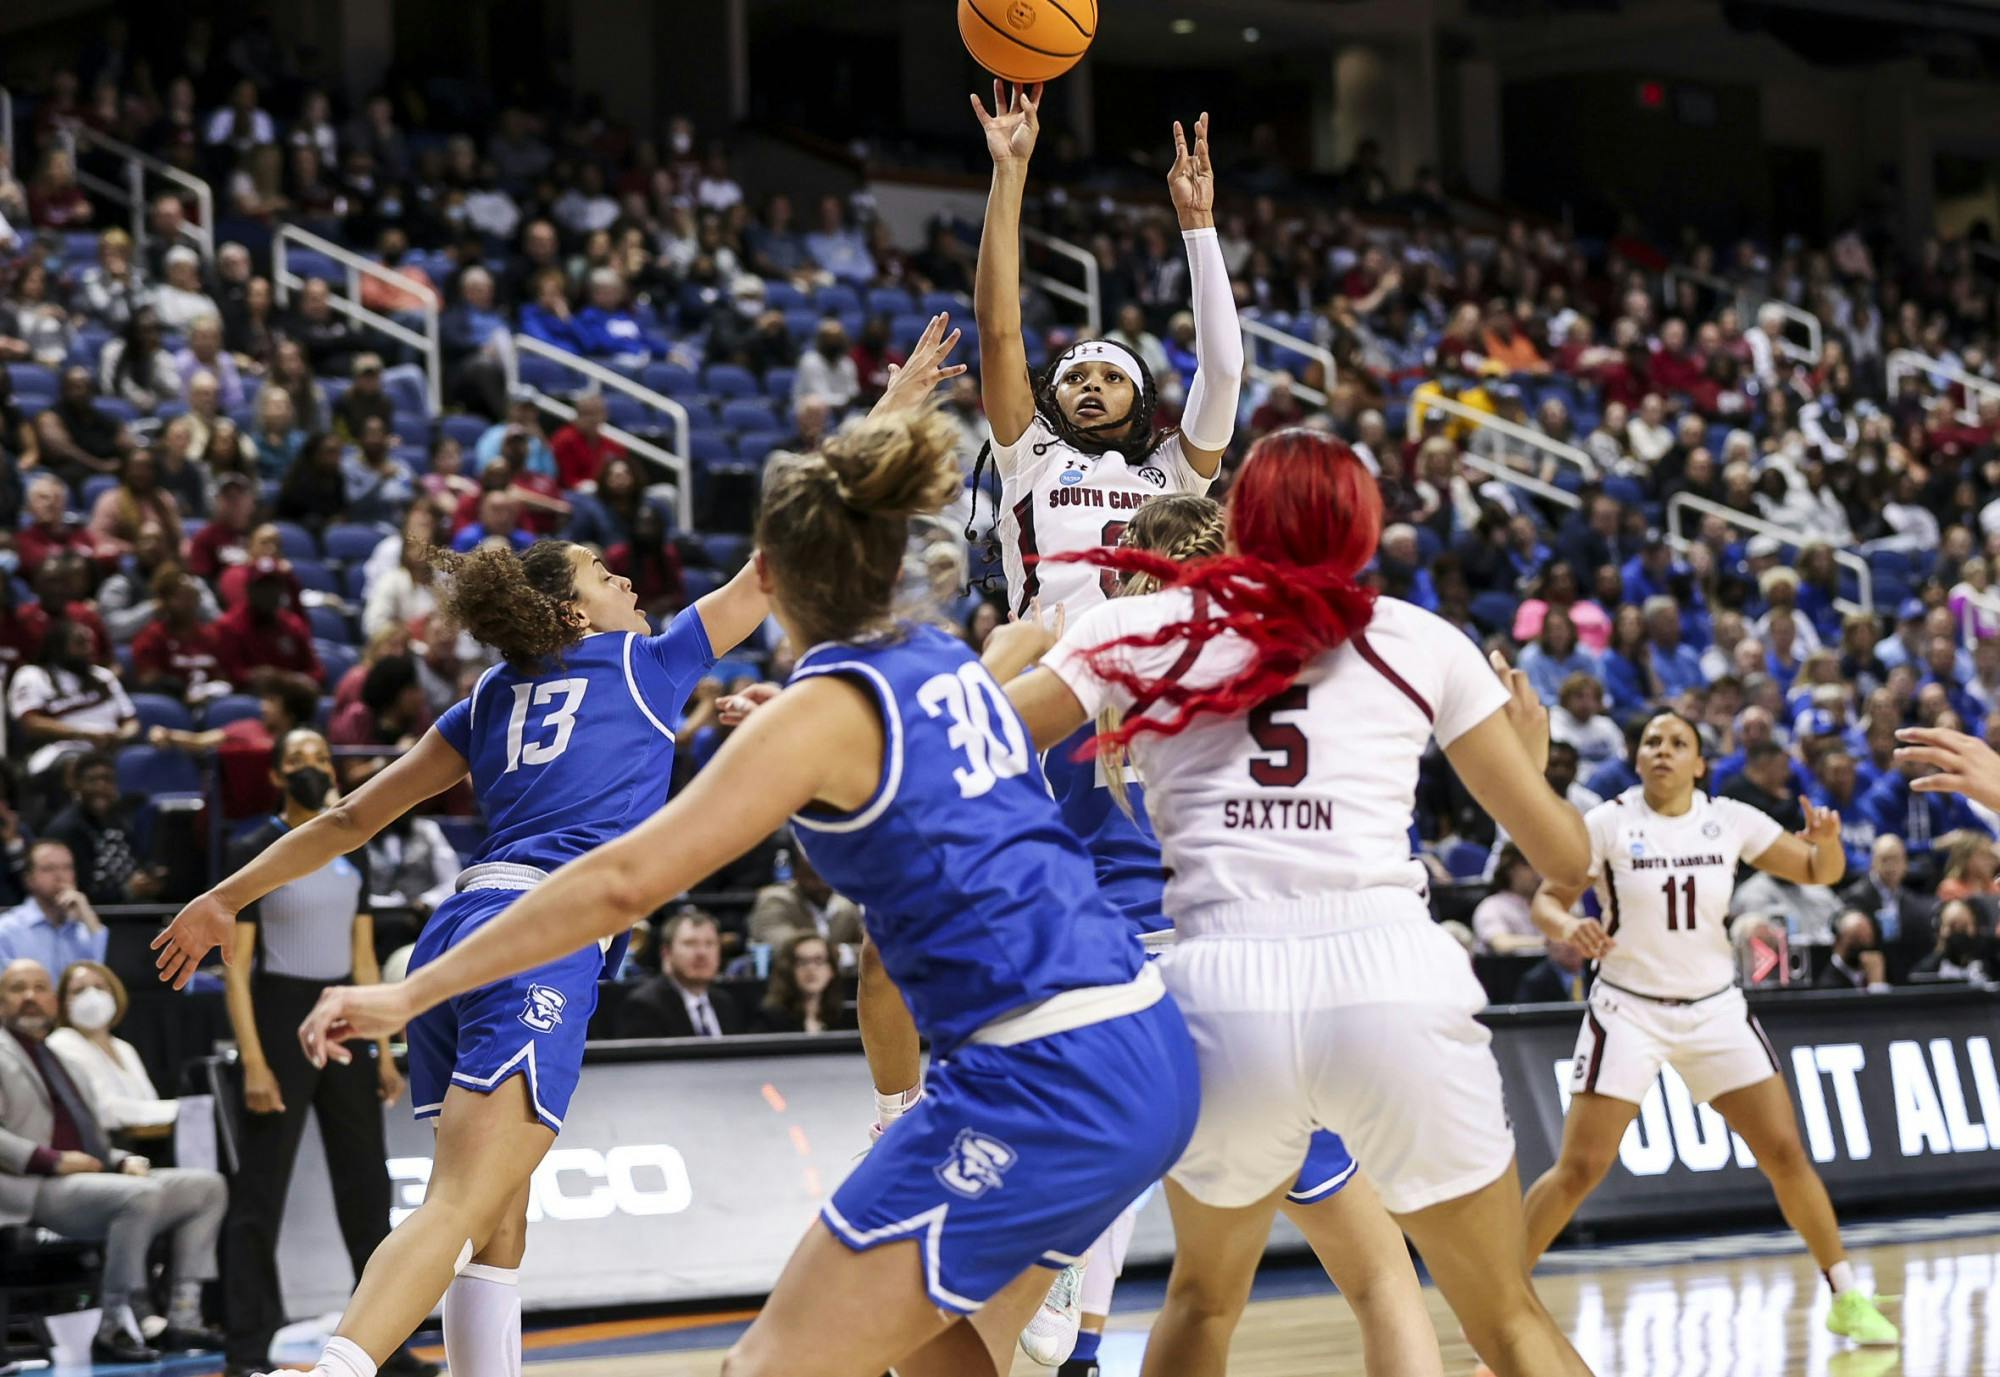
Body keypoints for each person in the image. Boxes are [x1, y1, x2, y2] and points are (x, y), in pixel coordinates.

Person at [287, 406, 1200, 1377]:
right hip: (1136, 1040)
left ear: (778, 579)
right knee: (933, 1356)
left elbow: (620, 882)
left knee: (761, 1367)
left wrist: (410, 992)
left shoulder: (823, 713)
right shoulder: (937, 665)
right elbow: (939, 741)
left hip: (1041, 1070)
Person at [152, 331, 966, 1377]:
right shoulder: (646, 661)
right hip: (543, 929)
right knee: (458, 1206)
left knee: (495, 1223)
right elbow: (791, 554)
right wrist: (891, 413)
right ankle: (340, 1368)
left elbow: (351, 819)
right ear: (578, 610)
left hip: (458, 929)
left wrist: (226, 894)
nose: (629, 578)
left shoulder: (487, 696)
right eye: (607, 573)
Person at [991, 427, 1594, 1377]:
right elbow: (1565, 861)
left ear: (1243, 522)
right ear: (1361, 526)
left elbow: (962, 744)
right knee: (1505, 1316)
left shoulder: (1129, 630)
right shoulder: (1417, 637)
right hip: (1390, 972)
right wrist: (1533, 757)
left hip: (1219, 989)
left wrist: (1000, 651)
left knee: (1201, 1302)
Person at [1519, 709, 1897, 1346]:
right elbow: (1545, 898)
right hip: (1630, 1008)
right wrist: (1566, 927)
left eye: (1678, 743)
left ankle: (1845, 1293)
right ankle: (1501, 1301)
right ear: (1637, 760)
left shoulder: (1730, 820)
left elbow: (1817, 872)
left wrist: (1827, 841)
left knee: (1784, 1152)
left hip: (1715, 1007)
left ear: (1700, 763)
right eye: (1651, 741)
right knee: (1580, 1167)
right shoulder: (1608, 822)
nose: (1662, 751)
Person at [0, 958, 227, 1361]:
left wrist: (120, 1159)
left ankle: (182, 1315)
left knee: (206, 1187)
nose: (31, 997)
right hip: (33, 1185)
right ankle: (119, 1322)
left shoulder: (63, 1058)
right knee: (137, 1197)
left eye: (39, 987)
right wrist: (50, 1159)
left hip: (85, 1175)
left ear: (54, 1002)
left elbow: (92, 1135)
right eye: (18, 989)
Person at [46, 960, 179, 1130]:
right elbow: (102, 1110)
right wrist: (176, 1109)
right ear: (63, 1003)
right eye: (79, 990)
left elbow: (150, 1100)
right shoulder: (61, 1044)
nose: (92, 996)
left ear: (114, 994)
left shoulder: (124, 1048)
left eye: (100, 987)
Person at [44, 752, 165, 907]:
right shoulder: (66, 830)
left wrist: (150, 877)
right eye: (93, 780)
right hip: (95, 916)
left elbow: (138, 861)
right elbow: (74, 891)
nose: (101, 786)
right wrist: (127, 891)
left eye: (107, 780)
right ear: (77, 785)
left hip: (134, 909)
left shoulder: (119, 820)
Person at [615, 908, 746, 1038]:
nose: (702, 953)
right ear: (666, 953)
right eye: (690, 943)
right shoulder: (645, 1006)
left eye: (709, 944)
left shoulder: (725, 1004)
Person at [0, 841, 106, 971]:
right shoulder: (6, 931)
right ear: (29, 880)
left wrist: (90, 919)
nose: (60, 876)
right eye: (49, 868)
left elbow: (101, 982)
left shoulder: (85, 932)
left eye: (67, 867)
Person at [746, 839, 864, 947]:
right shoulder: (774, 900)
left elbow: (870, 951)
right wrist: (846, 953)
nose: (823, 885)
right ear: (797, 876)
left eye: (827, 878)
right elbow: (787, 950)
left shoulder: (847, 905)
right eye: (813, 878)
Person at [755, 933, 850, 1034]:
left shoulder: (847, 1019)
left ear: (832, 970)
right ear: (787, 970)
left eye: (818, 960)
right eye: (802, 962)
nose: (811, 968)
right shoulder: (770, 1020)